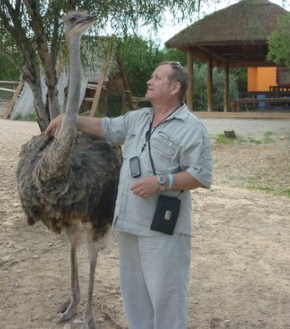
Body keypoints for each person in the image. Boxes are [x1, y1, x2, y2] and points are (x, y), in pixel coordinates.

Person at [45, 61, 213, 329]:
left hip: (162, 229)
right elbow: (105, 127)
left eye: (156, 77)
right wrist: (70, 119)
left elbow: (201, 175)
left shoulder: (191, 128)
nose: (149, 81)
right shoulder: (140, 118)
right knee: (135, 299)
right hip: (130, 222)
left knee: (166, 299)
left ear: (174, 87)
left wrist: (162, 181)